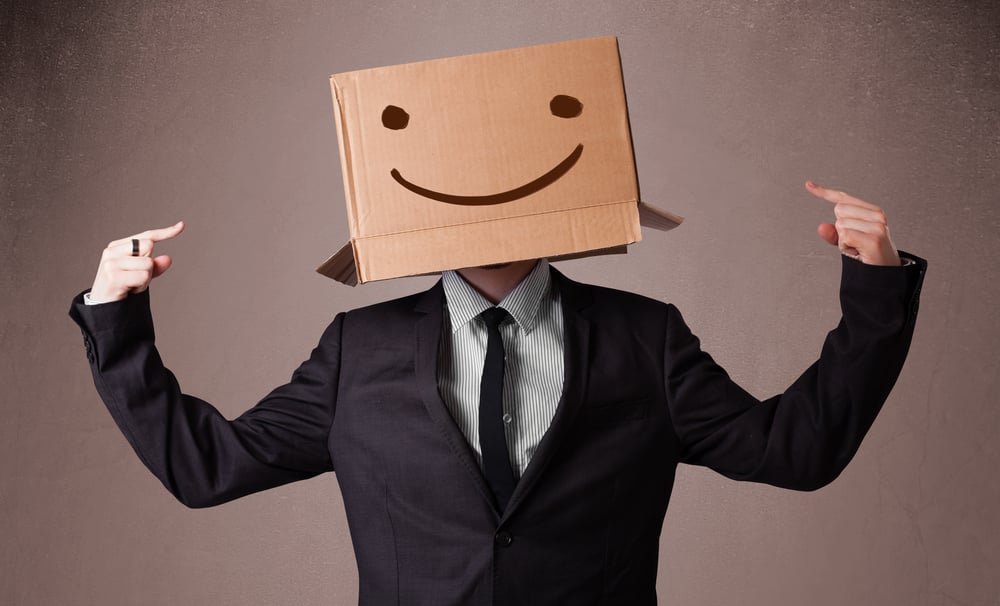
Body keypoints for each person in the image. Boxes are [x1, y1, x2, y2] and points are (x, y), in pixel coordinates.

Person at [70, 181, 925, 605]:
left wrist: (874, 291)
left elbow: (795, 450)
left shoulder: (644, 337)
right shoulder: (357, 349)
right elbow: (207, 467)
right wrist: (117, 318)